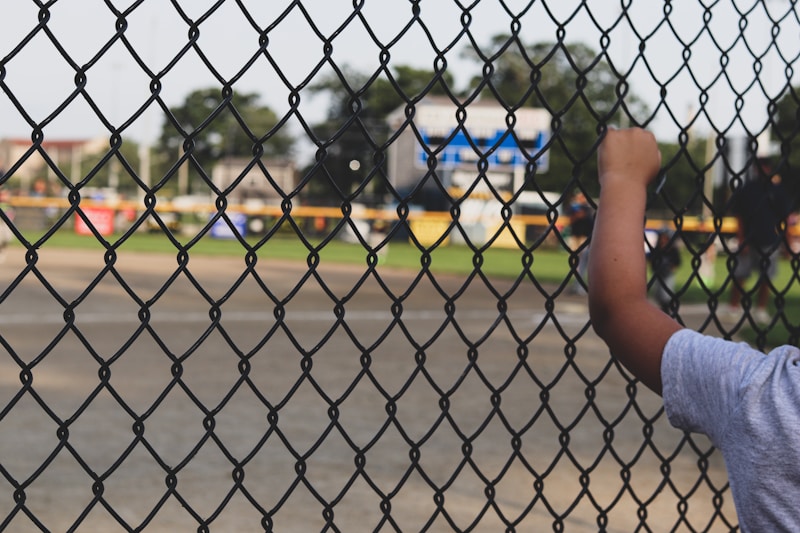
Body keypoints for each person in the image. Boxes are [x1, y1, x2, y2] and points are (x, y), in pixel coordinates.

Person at [588, 127, 800, 531]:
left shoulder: (769, 397)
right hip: (756, 240)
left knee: (762, 277)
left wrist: (623, 179)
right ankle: (745, 306)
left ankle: (750, 308)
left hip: (764, 241)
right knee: (748, 275)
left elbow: (618, 309)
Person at [726, 159, 791, 324]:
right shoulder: (748, 189)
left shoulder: (777, 190)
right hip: (749, 239)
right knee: (740, 275)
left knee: (766, 278)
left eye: (765, 166)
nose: (763, 170)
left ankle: (760, 309)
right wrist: (742, 240)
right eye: (760, 167)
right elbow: (739, 216)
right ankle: (734, 307)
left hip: (769, 240)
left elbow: (785, 219)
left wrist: (787, 244)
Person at [565, 191, 594, 294]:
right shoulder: (574, 208)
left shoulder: (587, 209)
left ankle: (579, 286)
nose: (580, 199)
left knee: (582, 262)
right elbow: (570, 219)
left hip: (584, 238)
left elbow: (590, 223)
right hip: (575, 237)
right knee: (575, 262)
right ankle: (576, 285)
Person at [648, 229, 681, 313]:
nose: (663, 239)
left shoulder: (672, 249)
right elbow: (651, 259)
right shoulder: (657, 249)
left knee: (666, 294)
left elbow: (677, 262)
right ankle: (664, 308)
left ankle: (667, 308)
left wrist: (672, 268)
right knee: (658, 294)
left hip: (668, 274)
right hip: (658, 274)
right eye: (662, 237)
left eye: (665, 238)